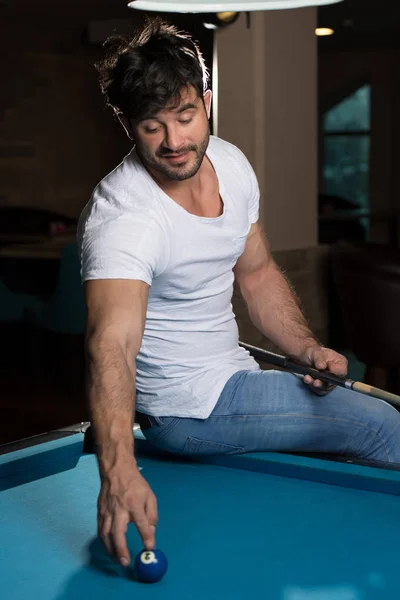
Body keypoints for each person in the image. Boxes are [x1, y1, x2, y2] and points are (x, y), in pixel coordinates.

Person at [78, 17, 400, 569]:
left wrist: (303, 347)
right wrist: (119, 471)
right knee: (386, 428)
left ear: (206, 101)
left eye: (185, 117)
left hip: (234, 376)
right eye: (153, 126)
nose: (176, 142)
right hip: (188, 409)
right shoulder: (124, 217)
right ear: (126, 124)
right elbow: (112, 344)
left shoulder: (229, 162)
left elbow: (257, 275)